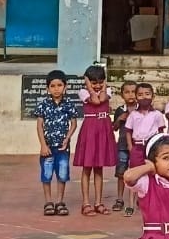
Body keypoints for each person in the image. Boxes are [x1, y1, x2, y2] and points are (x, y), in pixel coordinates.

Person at [75, 64, 117, 215]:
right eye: (94, 82)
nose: (98, 85)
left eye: (100, 82)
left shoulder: (107, 91)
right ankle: (86, 203)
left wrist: (103, 86)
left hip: (103, 129)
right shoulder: (83, 92)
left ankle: (98, 202)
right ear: (87, 81)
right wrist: (89, 86)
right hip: (90, 130)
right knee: (87, 167)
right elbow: (96, 101)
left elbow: (103, 98)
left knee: (99, 168)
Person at [36, 70, 77, 217]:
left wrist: (67, 138)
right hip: (47, 147)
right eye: (52, 86)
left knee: (62, 173)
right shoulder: (43, 105)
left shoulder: (69, 105)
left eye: (59, 85)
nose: (56, 89)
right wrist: (43, 144)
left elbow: (73, 124)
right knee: (46, 174)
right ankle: (48, 202)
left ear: (65, 87)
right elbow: (39, 125)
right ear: (47, 88)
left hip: (62, 147)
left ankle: (60, 202)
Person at [125, 81, 166, 169]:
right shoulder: (133, 115)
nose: (144, 97)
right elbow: (128, 131)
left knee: (152, 169)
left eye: (147, 94)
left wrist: (159, 146)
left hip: (152, 146)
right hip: (137, 147)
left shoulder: (157, 114)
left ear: (153, 96)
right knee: (136, 170)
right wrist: (130, 147)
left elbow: (161, 132)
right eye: (140, 95)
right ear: (136, 97)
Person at [112, 79, 138, 211]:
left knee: (136, 173)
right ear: (122, 95)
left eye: (133, 92)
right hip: (122, 145)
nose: (131, 95)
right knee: (121, 173)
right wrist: (119, 119)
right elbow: (115, 128)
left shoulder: (141, 110)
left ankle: (136, 199)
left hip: (137, 146)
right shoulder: (120, 110)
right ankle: (119, 198)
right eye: (127, 92)